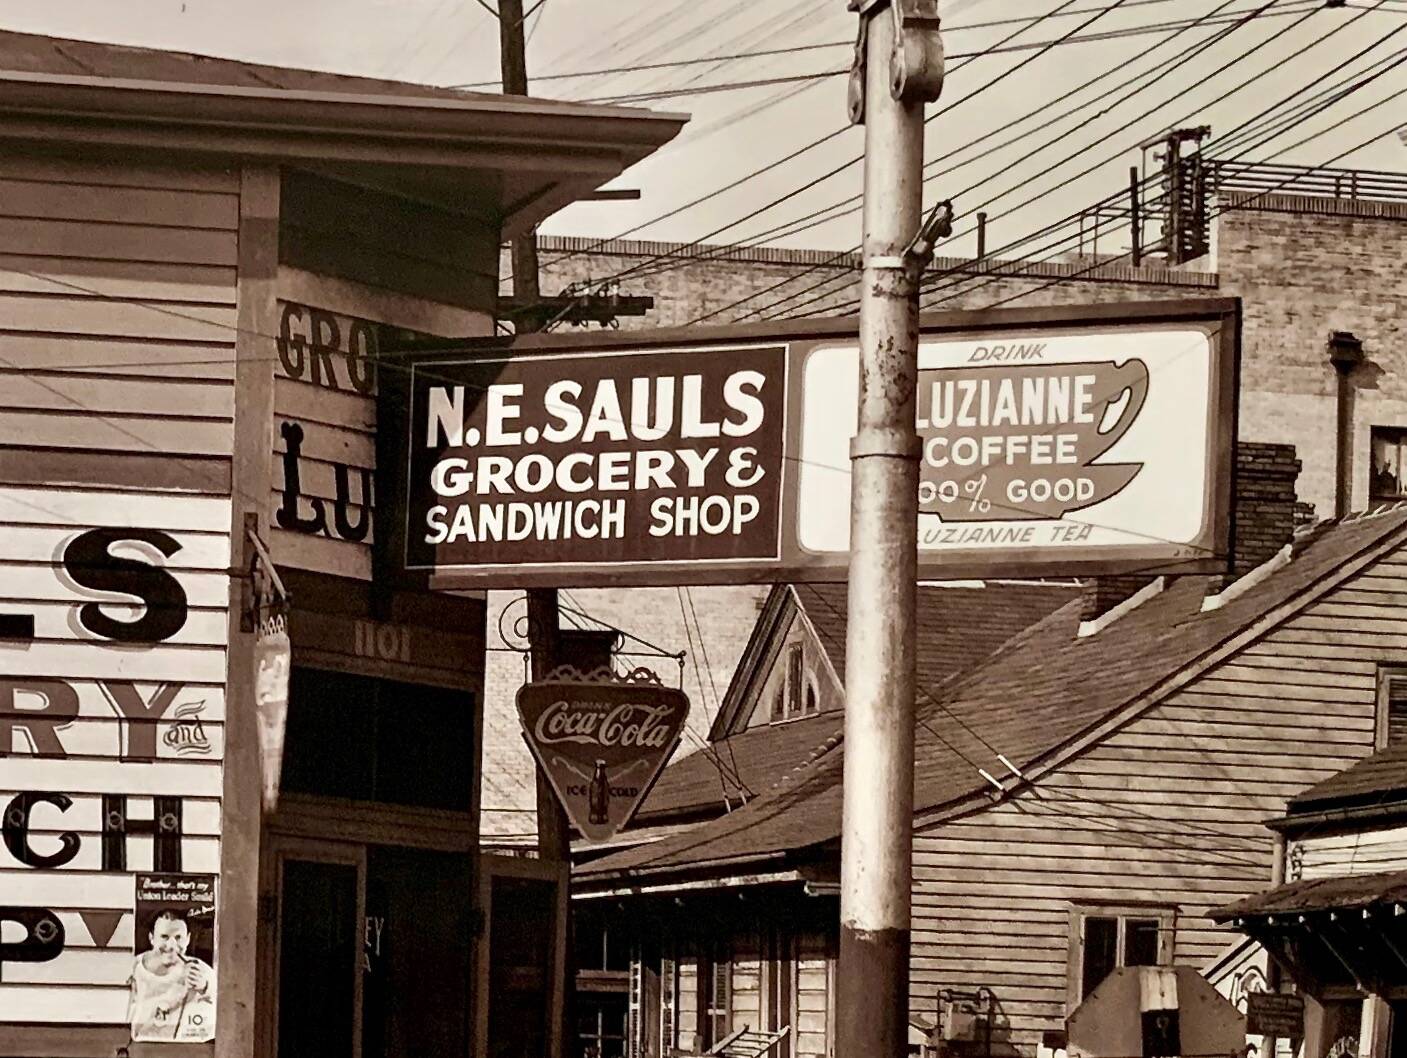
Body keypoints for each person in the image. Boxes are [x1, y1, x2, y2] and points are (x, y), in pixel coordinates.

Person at [128, 910, 216, 1041]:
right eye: (164, 937)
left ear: (188, 939)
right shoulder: (133, 968)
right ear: (151, 938)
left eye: (178, 938)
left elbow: (227, 1002)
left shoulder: (200, 970)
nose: (171, 945)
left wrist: (205, 987)